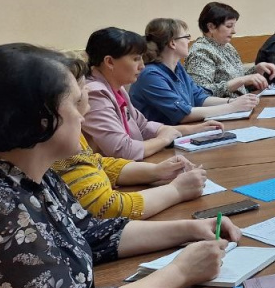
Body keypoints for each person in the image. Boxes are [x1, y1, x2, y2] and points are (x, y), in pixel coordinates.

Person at [0, 43, 240, 288]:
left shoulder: (30, 172)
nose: (86, 112)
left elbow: (90, 231)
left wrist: (189, 229)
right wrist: (181, 272)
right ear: (39, 118)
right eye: (76, 102)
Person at [54, 53, 208, 219]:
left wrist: (156, 171)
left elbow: (97, 162)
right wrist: (176, 190)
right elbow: (107, 206)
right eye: (135, 58)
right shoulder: (95, 95)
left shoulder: (117, 91)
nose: (86, 90)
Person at [83, 27, 223, 160]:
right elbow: (123, 150)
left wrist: (194, 129)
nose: (142, 66)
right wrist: (164, 139)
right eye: (136, 59)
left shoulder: (116, 88)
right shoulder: (95, 94)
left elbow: (143, 127)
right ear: (109, 62)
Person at [130, 18, 259, 125]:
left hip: (184, 132)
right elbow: (183, 115)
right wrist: (232, 107)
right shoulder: (150, 75)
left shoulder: (177, 67)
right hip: (163, 142)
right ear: (172, 43)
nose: (189, 41)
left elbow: (199, 97)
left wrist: (233, 101)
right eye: (186, 37)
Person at [185, 2, 275, 97]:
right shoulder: (200, 52)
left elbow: (236, 79)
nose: (234, 31)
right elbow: (201, 92)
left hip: (241, 102)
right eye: (229, 26)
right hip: (224, 105)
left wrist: (257, 70)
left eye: (233, 26)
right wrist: (242, 80)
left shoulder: (227, 46)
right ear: (211, 27)